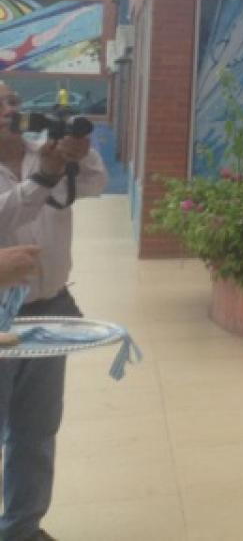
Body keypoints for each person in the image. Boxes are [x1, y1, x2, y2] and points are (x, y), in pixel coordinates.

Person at [0, 82, 107, 541]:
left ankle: (23, 529)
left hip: (50, 308)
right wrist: (41, 177)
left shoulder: (42, 147)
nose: (10, 108)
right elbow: (9, 219)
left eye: (12, 100)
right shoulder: (39, 165)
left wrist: (76, 154)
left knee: (38, 429)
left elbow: (96, 183)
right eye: (0, 102)